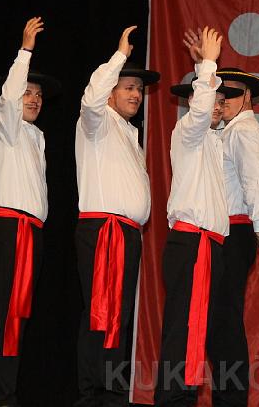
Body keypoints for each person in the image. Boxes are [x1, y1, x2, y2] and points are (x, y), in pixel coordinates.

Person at [184, 25, 259, 406]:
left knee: (223, 322)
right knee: (217, 322)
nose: (223, 100)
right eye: (220, 93)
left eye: (231, 94)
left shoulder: (244, 132)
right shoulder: (228, 131)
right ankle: (228, 397)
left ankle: (232, 400)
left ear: (247, 97)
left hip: (236, 232)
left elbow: (255, 179)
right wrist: (202, 66)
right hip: (225, 234)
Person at [0, 17, 60, 407]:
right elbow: (8, 98)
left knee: (8, 312)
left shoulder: (36, 136)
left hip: (27, 229)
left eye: (38, 94)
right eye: (27, 92)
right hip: (10, 228)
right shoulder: (4, 126)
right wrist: (25, 50)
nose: (34, 99)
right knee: (7, 311)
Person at [155, 27, 241, 407]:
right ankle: (173, 400)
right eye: (212, 99)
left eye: (223, 101)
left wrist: (201, 68)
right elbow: (201, 110)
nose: (217, 106)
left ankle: (183, 398)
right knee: (182, 330)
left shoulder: (212, 141)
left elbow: (206, 109)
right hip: (191, 243)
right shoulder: (187, 132)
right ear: (193, 102)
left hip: (209, 246)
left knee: (198, 328)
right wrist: (207, 63)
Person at [74, 26, 159, 406]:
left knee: (119, 314)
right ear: (110, 91)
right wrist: (119, 56)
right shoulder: (96, 122)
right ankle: (92, 394)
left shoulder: (127, 133)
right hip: (103, 229)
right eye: (128, 87)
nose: (136, 94)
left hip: (126, 233)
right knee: (100, 312)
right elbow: (91, 97)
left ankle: (111, 391)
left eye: (138, 89)